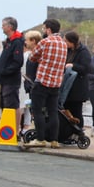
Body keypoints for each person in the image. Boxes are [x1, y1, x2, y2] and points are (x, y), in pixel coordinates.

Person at [25, 19, 67, 148]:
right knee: (53, 111)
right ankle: (54, 140)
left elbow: (32, 57)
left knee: (37, 111)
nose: (43, 31)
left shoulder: (45, 42)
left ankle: (40, 138)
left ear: (48, 29)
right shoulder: (64, 44)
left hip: (42, 81)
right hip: (56, 83)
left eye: (44, 29)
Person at [59, 31, 93, 144]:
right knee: (67, 111)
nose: (64, 43)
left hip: (78, 88)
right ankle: (68, 133)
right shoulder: (68, 51)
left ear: (71, 42)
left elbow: (86, 68)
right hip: (67, 87)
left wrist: (73, 66)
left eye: (66, 41)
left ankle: (79, 133)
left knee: (77, 111)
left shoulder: (83, 52)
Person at [0, 17, 25, 131]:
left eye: (4, 25)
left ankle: (14, 131)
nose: (2, 27)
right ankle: (8, 129)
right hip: (5, 80)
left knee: (11, 105)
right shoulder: (9, 42)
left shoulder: (16, 42)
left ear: (10, 27)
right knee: (6, 104)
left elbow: (18, 61)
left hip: (11, 80)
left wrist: (5, 71)